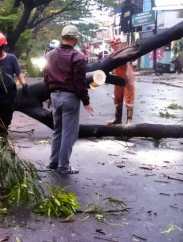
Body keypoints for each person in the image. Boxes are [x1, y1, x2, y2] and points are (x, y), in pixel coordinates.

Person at [44, 25, 94, 174]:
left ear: (62, 37)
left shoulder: (50, 55)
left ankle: (53, 162)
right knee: (69, 133)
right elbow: (80, 82)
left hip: (55, 95)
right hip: (70, 97)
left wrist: (49, 95)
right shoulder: (78, 57)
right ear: (76, 39)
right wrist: (86, 101)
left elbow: (46, 77)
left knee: (57, 129)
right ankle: (64, 166)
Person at [106, 37, 136, 125]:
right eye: (114, 45)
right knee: (117, 98)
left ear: (121, 44)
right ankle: (117, 118)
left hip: (128, 77)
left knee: (129, 98)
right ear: (112, 46)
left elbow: (132, 58)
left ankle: (129, 120)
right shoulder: (112, 54)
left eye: (118, 44)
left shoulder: (127, 52)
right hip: (118, 77)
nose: (116, 46)